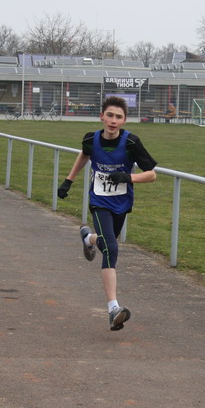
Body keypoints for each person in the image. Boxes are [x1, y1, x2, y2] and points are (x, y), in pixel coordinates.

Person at [57, 96, 157, 331]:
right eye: (110, 115)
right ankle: (113, 308)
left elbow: (152, 174)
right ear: (101, 116)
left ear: (124, 121)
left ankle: (88, 238)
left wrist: (128, 177)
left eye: (118, 117)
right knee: (111, 248)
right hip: (99, 201)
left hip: (121, 202)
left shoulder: (131, 142)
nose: (113, 120)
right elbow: (85, 154)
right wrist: (68, 181)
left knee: (106, 243)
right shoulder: (90, 139)